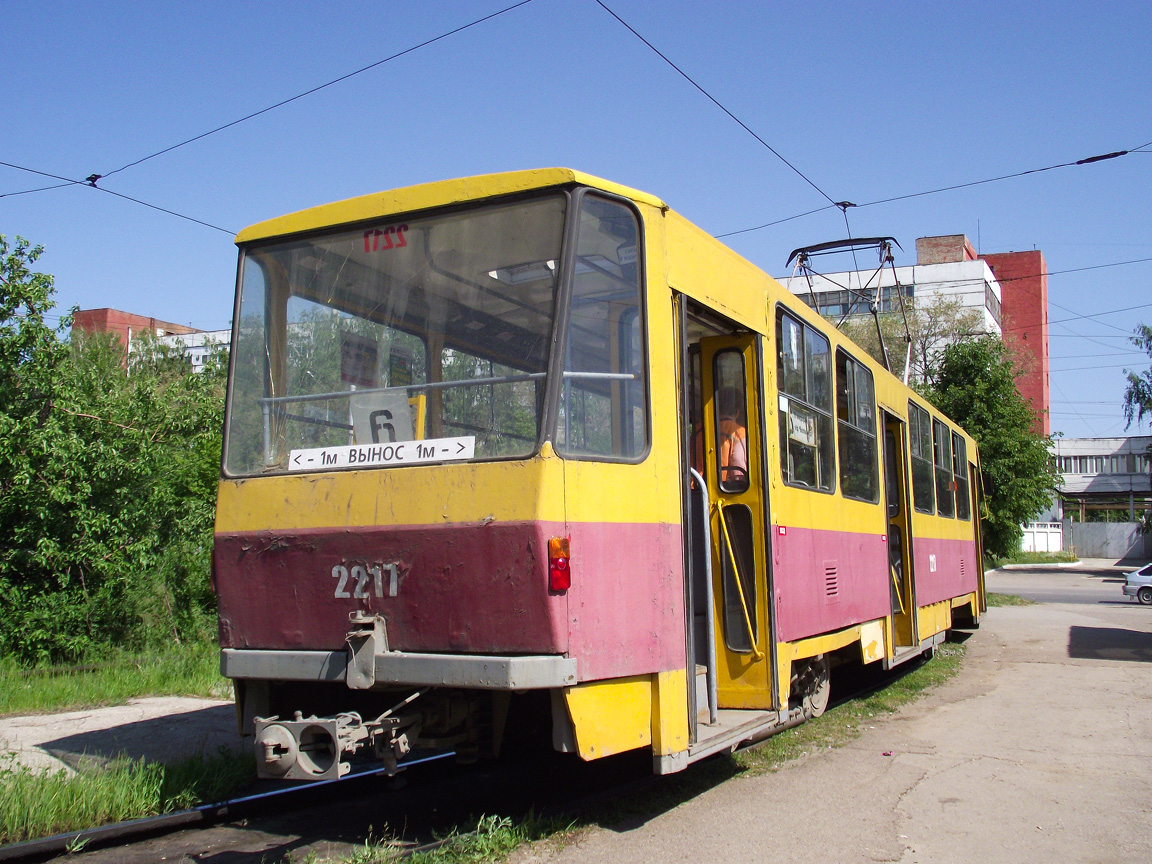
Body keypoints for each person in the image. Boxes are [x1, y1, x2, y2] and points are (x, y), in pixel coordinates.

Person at [717, 387, 747, 486]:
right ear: (737, 411)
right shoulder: (739, 433)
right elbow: (737, 467)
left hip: (694, 489)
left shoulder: (699, 430)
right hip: (724, 488)